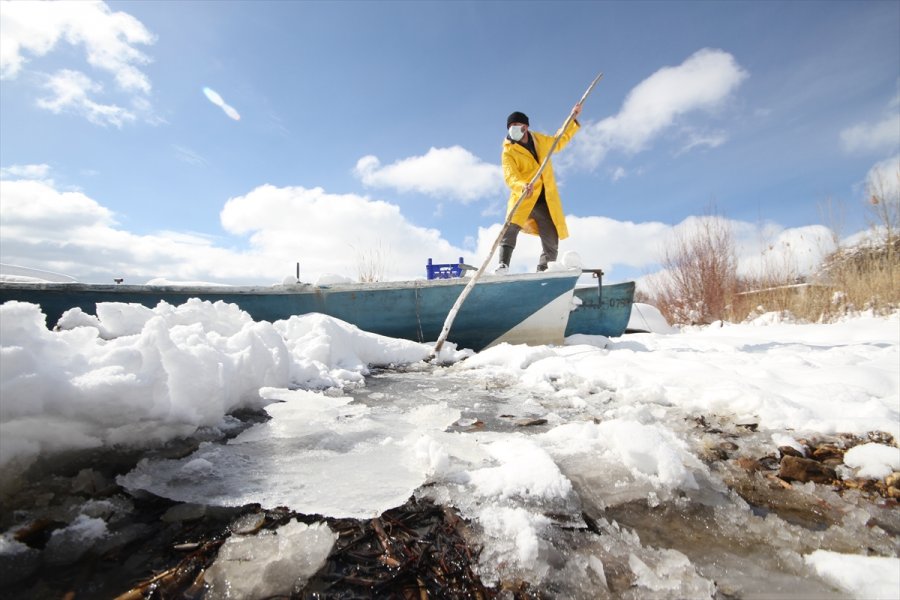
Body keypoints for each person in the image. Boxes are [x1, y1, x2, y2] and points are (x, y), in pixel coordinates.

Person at [496, 104, 582, 273]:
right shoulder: (508, 151)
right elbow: (510, 175)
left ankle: (543, 271)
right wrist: (522, 185)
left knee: (551, 237)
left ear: (525, 127)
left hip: (544, 199)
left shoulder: (539, 141)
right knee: (511, 227)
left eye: (515, 126)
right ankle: (503, 265)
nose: (512, 130)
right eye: (510, 127)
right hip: (523, 196)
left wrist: (572, 119)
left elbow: (559, 140)